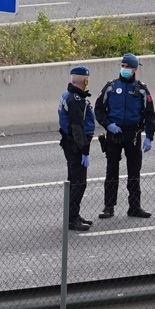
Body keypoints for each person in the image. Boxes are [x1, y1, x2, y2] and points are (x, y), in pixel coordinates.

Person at [94, 53, 155, 219]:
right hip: (115, 133)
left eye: (128, 67)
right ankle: (108, 207)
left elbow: (149, 114)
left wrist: (149, 136)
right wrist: (108, 125)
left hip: (133, 134)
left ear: (135, 69)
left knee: (134, 173)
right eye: (123, 66)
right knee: (111, 172)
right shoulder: (111, 87)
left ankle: (134, 207)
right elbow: (98, 109)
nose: (125, 69)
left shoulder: (141, 89)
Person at [58, 66, 96, 231]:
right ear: (85, 80)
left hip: (71, 143)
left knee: (75, 182)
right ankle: (72, 219)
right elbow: (77, 128)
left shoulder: (69, 95)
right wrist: (84, 150)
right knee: (78, 183)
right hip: (75, 146)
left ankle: (74, 215)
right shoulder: (75, 100)